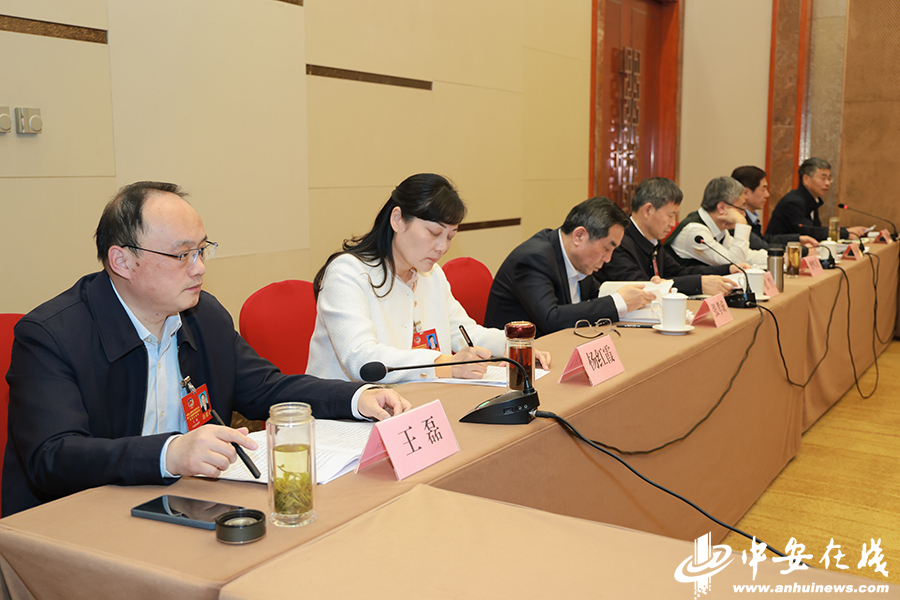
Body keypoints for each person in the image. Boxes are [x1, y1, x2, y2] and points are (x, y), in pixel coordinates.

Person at [3, 182, 410, 517]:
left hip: (181, 504)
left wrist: (357, 397)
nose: (199, 267)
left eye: (201, 250)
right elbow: (53, 456)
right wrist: (169, 453)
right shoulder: (51, 336)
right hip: (76, 519)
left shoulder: (203, 315)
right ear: (122, 261)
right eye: (182, 254)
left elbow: (266, 388)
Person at [307, 173, 549, 384]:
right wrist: (446, 364)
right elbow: (361, 359)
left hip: (415, 400)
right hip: (344, 412)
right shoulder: (347, 273)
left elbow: (464, 332)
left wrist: (514, 347)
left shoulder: (431, 275)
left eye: (450, 236)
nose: (443, 247)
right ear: (397, 219)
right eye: (434, 233)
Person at [484, 197, 655, 337]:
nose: (608, 259)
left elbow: (595, 298)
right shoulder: (533, 259)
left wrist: (645, 292)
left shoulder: (580, 259)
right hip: (515, 359)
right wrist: (618, 302)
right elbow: (551, 318)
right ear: (579, 236)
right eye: (606, 248)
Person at [597, 178, 738, 296]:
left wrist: (727, 269)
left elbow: (678, 272)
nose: (672, 223)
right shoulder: (618, 242)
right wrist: (699, 284)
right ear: (648, 210)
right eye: (670, 215)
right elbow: (642, 287)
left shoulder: (652, 241)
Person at [665, 176, 767, 268]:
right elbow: (735, 263)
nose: (743, 214)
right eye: (741, 208)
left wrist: (773, 257)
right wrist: (741, 223)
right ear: (721, 208)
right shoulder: (695, 232)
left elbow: (745, 255)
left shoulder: (718, 227)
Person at [765, 157, 868, 241]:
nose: (827, 183)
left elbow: (817, 230)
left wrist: (848, 230)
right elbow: (810, 233)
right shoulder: (793, 202)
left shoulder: (811, 200)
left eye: (829, 179)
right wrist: (846, 233)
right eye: (823, 178)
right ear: (806, 179)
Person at [731, 165, 818, 249]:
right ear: (746, 192)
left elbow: (764, 240)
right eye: (763, 189)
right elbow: (761, 247)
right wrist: (800, 249)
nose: (767, 195)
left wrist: (797, 239)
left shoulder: (750, 218)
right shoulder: (735, 221)